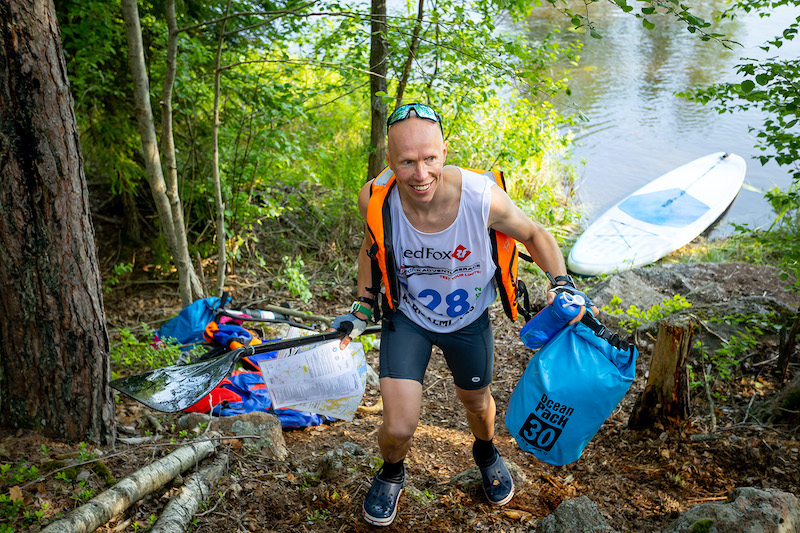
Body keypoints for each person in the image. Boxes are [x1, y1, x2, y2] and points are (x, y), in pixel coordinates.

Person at [331, 102, 593, 527]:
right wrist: (362, 303)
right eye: (407, 162)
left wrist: (562, 284)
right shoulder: (375, 200)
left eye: (430, 159)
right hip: (408, 318)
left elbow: (533, 233)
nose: (421, 174)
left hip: (468, 320)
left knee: (477, 403)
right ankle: (392, 472)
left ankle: (485, 451)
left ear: (445, 153)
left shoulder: (480, 197)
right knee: (398, 428)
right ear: (389, 160)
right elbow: (370, 246)